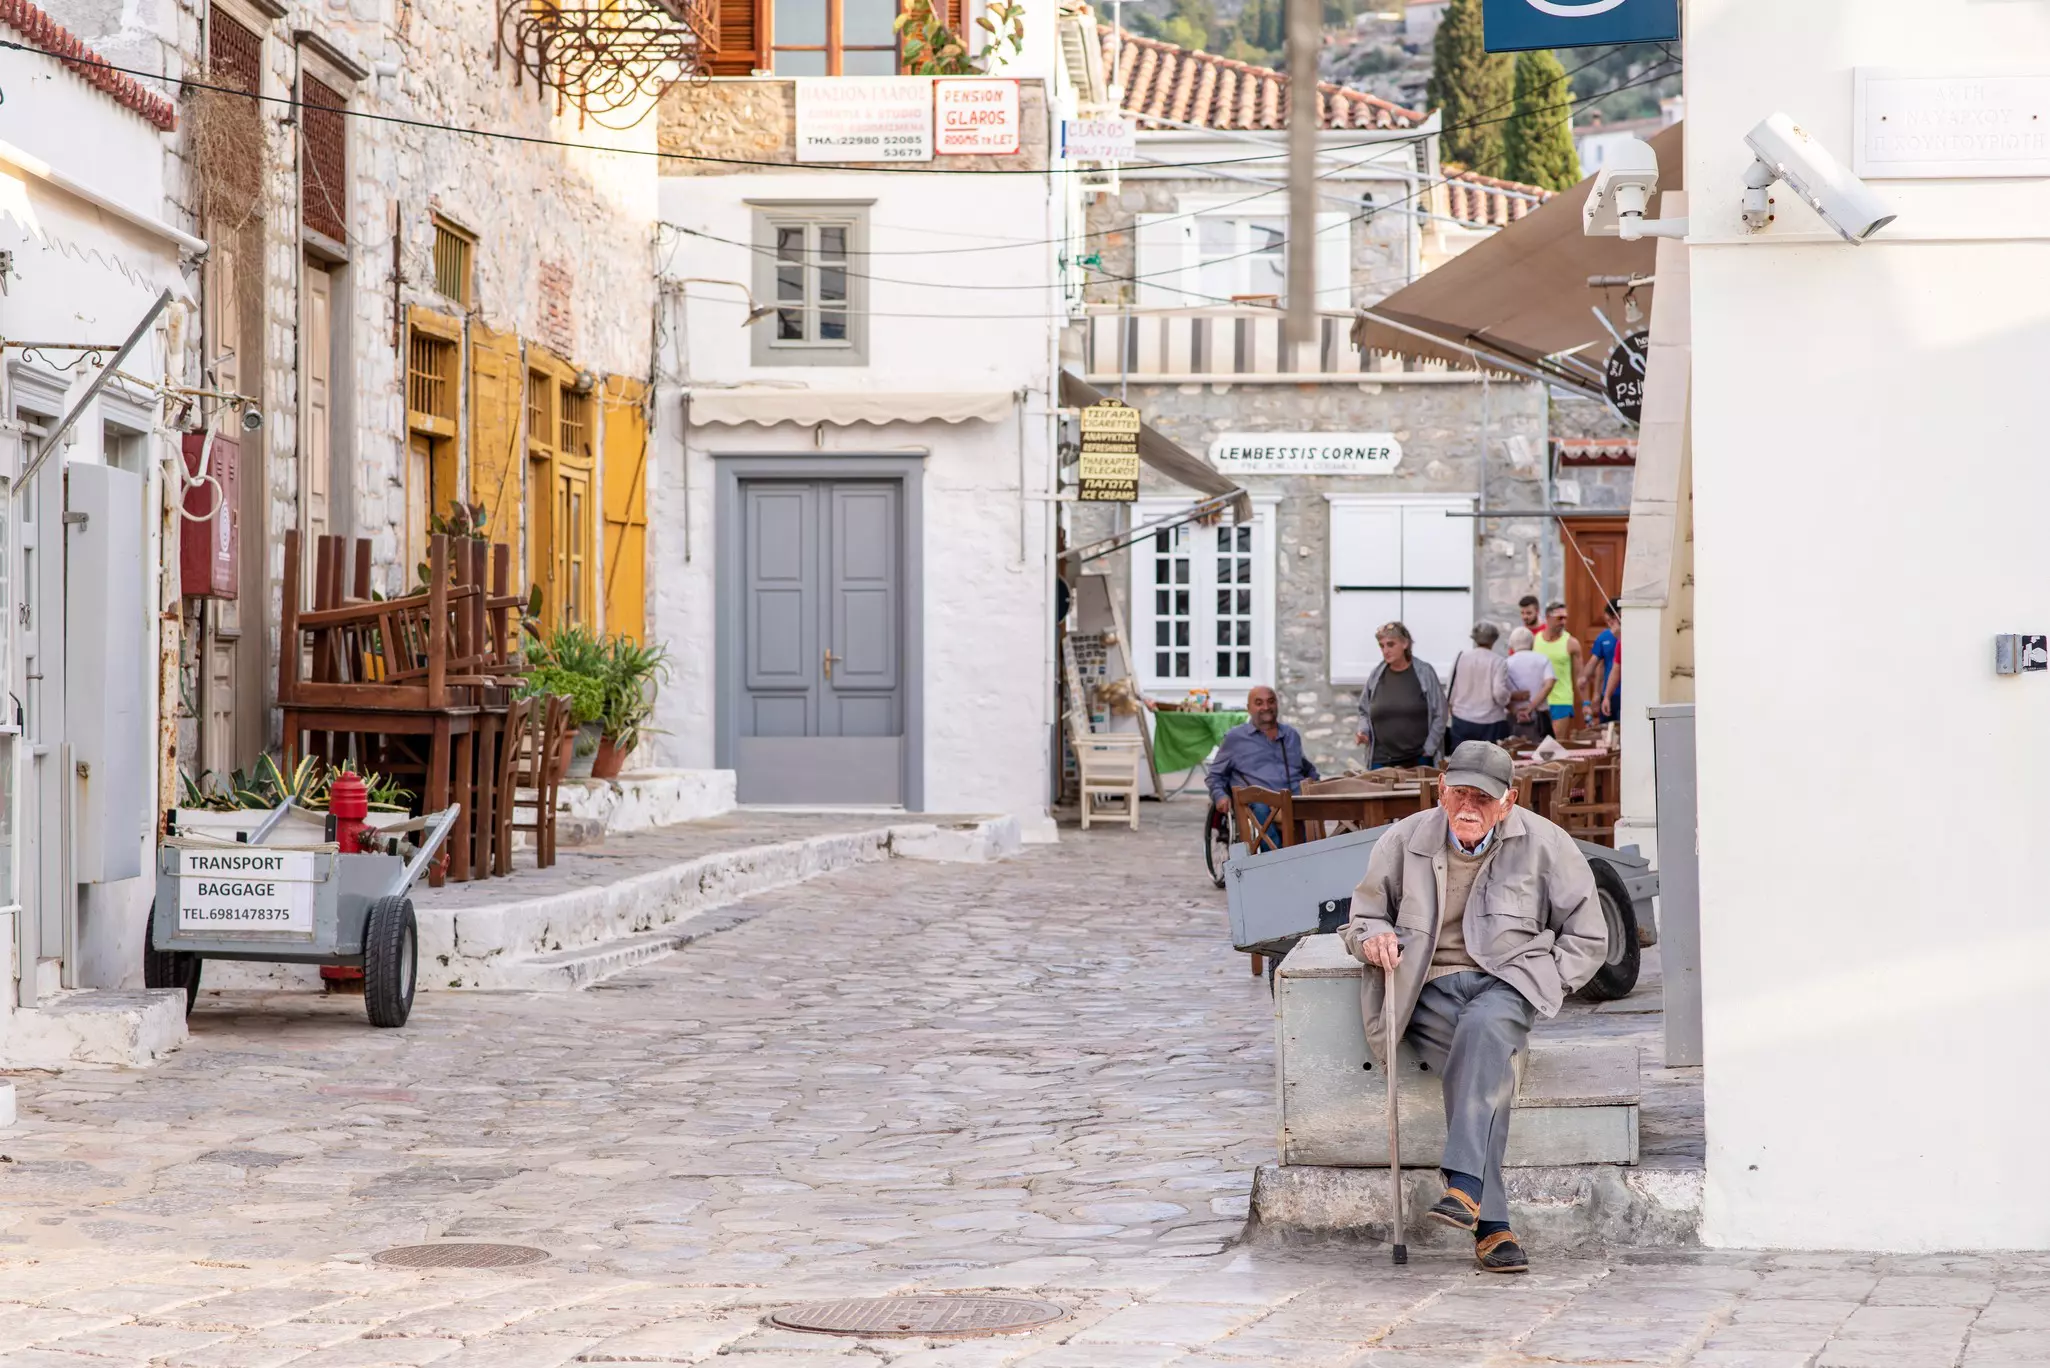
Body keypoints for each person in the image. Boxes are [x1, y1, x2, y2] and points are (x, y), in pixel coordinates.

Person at [1342, 741, 1606, 1275]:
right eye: (1458, 792)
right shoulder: (1404, 840)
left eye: (1481, 799)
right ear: (1442, 789)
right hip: (1427, 986)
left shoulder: (1546, 844)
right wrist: (1372, 938)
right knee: (1483, 1076)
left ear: (1507, 802)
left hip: (1509, 981)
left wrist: (1548, 979)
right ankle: (1491, 1225)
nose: (1467, 806)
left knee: (1486, 1027)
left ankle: (1464, 1186)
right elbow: (1363, 915)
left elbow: (1588, 934)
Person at [1206, 684, 1319, 846]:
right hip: (1258, 803)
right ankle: (1274, 862)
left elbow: (1308, 770)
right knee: (1260, 808)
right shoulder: (1235, 738)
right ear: (1249, 708)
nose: (1266, 707)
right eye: (1259, 703)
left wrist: (1316, 786)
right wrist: (1220, 795)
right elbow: (1215, 775)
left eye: (1271, 701)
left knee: (1314, 807)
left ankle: (1312, 856)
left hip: (1293, 798)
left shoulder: (1291, 735)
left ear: (1277, 704)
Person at [1353, 621, 1446, 770]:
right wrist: (1363, 731)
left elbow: (1440, 714)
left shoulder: (1424, 673)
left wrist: (1428, 750)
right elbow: (1364, 711)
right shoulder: (1376, 675)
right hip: (1380, 761)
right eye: (1381, 646)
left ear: (1405, 644)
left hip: (1418, 760)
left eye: (1390, 645)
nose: (1385, 651)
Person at [1445, 622, 1514, 748]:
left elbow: (1451, 688)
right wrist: (1508, 699)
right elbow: (1499, 693)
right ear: (1494, 640)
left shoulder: (1461, 657)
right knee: (1488, 764)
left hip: (1462, 719)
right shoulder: (1498, 661)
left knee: (1461, 762)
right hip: (1491, 721)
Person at [1531, 602, 1583, 736]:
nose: (1563, 622)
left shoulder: (1571, 643)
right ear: (1548, 617)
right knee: (1537, 744)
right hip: (1539, 700)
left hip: (1561, 700)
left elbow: (1579, 677)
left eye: (1565, 618)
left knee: (1555, 745)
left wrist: (1586, 703)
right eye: (1559, 618)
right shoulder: (1535, 640)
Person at [1504, 627, 1556, 742]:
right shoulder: (1543, 659)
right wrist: (1531, 707)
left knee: (1513, 753)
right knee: (1544, 755)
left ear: (1511, 644)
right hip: (1540, 715)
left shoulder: (1506, 663)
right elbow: (1549, 683)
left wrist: (1516, 711)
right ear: (1532, 643)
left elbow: (1500, 692)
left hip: (1513, 716)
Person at [1581, 601, 1622, 726]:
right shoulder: (1603, 638)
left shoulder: (1632, 635)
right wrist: (1596, 693)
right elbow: (1597, 665)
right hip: (1609, 693)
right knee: (1607, 730)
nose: (1609, 624)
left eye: (1611, 620)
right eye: (1608, 621)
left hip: (1627, 693)